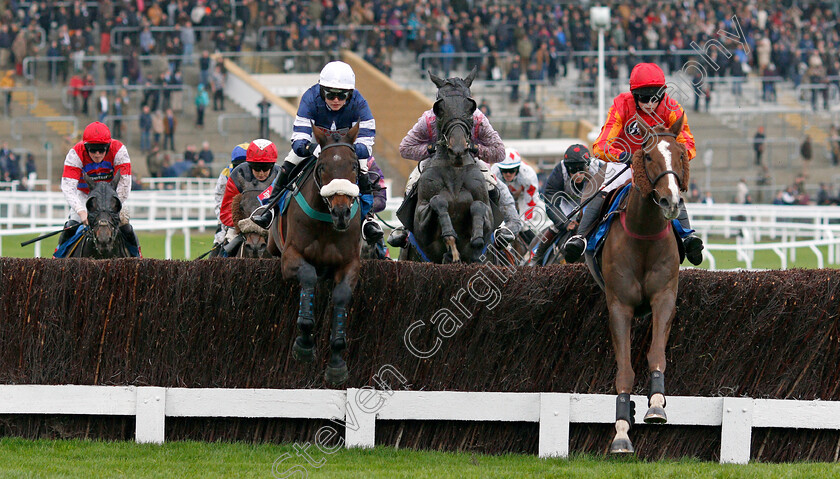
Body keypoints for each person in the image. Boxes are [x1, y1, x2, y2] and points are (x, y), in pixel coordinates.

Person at [563, 62, 704, 266]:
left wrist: (672, 158)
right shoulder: (621, 104)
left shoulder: (673, 108)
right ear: (634, 95)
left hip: (657, 165)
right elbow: (600, 145)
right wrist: (625, 156)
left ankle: (687, 236)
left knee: (670, 186)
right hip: (624, 161)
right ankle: (581, 237)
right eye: (643, 97)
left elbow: (688, 144)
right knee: (605, 187)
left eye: (654, 97)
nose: (648, 103)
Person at [387, 79, 521, 249]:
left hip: (471, 162)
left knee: (494, 185)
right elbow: (405, 148)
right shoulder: (428, 119)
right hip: (434, 162)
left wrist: (474, 148)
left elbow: (499, 151)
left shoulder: (478, 119)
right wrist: (431, 148)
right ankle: (405, 229)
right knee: (412, 182)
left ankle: (500, 228)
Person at [253, 61, 376, 229]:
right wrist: (314, 149)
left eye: (342, 95)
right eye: (330, 94)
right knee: (289, 162)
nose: (335, 100)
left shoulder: (360, 102)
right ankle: (270, 209)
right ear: (321, 89)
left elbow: (366, 145)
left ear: (350, 93)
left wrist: (343, 151)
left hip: (347, 148)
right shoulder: (310, 98)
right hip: (317, 146)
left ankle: (368, 219)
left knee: (363, 169)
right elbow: (298, 141)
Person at [56, 121, 140, 256]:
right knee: (70, 227)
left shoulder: (119, 151)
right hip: (86, 196)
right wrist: (82, 212)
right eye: (92, 150)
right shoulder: (75, 154)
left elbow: (124, 185)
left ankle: (138, 260)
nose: (97, 154)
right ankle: (56, 260)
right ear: (85, 147)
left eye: (101, 150)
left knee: (126, 229)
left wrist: (111, 208)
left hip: (113, 198)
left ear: (108, 147)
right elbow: (68, 187)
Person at [534, 144, 604, 263]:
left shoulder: (599, 169)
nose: (577, 174)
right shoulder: (559, 171)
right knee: (555, 227)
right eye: (573, 170)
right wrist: (565, 223)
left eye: (581, 169)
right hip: (568, 204)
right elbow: (550, 201)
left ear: (587, 165)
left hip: (592, 203)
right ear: (567, 168)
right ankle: (537, 258)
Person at [219, 139, 280, 249]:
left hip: (272, 227)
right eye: (256, 168)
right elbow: (225, 212)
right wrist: (244, 225)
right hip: (242, 227)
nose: (261, 173)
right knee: (227, 245)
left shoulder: (280, 176)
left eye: (266, 168)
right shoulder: (237, 175)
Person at [491, 148, 545, 245]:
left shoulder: (528, 175)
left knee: (524, 225)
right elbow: (493, 200)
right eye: (504, 170)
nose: (508, 174)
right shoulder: (494, 171)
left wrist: (523, 222)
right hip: (502, 198)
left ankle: (534, 250)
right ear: (499, 169)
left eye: (511, 170)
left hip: (523, 197)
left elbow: (531, 202)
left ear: (518, 168)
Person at [212, 142, 250, 249]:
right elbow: (219, 199)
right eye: (239, 164)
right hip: (232, 217)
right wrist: (224, 222)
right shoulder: (226, 173)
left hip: (255, 217)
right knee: (219, 243)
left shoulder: (261, 172)